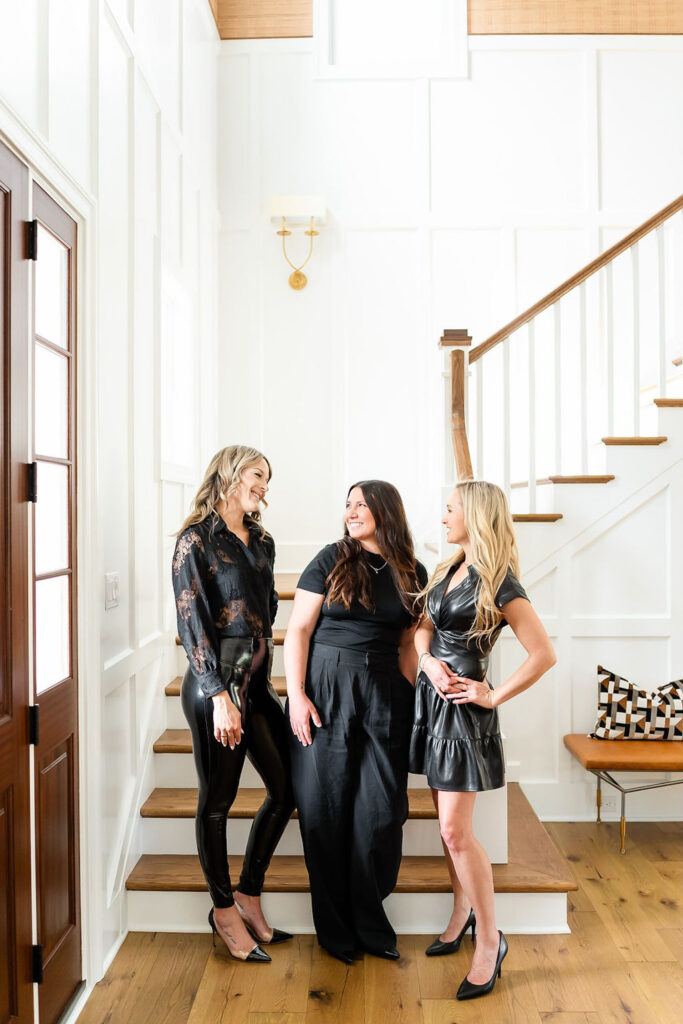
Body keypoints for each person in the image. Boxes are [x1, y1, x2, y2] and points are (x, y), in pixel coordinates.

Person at [410, 480, 556, 1000]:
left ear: (474, 515)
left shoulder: (501, 582)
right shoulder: (447, 569)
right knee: (446, 825)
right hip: (431, 703)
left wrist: (492, 695)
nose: (443, 516)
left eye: (450, 509)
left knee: (454, 831)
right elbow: (422, 628)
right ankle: (461, 911)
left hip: (464, 714)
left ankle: (489, 942)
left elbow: (543, 654)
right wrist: (427, 663)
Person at [284, 480, 428, 964]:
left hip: (387, 691)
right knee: (324, 811)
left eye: (361, 504)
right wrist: (296, 696)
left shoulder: (412, 570)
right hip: (327, 687)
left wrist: (411, 697)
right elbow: (299, 630)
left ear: (386, 511)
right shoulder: (330, 559)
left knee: (382, 813)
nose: (351, 511)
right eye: (347, 504)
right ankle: (336, 931)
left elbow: (409, 644)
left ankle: (370, 923)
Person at [172, 445, 294, 963]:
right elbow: (192, 621)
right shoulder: (193, 542)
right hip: (215, 686)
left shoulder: (263, 539)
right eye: (258, 474)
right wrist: (221, 696)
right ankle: (223, 910)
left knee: (287, 790)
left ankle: (248, 891)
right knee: (217, 800)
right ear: (229, 473)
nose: (265, 485)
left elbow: (264, 612)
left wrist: (257, 683)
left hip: (259, 683)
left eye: (268, 478)